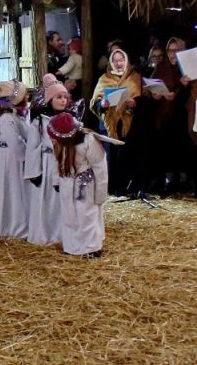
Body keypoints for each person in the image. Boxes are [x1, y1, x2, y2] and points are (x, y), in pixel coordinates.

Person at [48, 112, 108, 258]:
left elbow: (100, 166)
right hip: (67, 182)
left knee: (87, 215)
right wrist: (56, 181)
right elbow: (56, 162)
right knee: (69, 216)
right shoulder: (59, 143)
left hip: (84, 185)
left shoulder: (87, 140)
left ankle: (91, 248)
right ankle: (72, 246)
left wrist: (101, 192)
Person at [90, 48, 144, 198]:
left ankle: (129, 187)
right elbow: (94, 102)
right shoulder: (104, 79)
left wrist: (135, 103)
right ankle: (113, 188)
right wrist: (103, 104)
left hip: (130, 125)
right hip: (110, 125)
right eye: (116, 60)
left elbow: (145, 99)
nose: (119, 63)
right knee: (111, 159)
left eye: (122, 60)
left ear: (126, 61)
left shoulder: (135, 78)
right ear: (111, 63)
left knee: (129, 156)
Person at [24, 74, 67, 246]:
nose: (63, 100)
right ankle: (45, 234)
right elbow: (32, 147)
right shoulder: (40, 122)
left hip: (64, 164)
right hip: (47, 164)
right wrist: (35, 171)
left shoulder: (70, 120)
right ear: (50, 100)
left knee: (60, 202)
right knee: (46, 201)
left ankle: (62, 234)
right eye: (58, 97)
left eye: (65, 97)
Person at [149, 37, 191, 195]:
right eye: (170, 50)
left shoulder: (188, 68)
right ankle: (167, 182)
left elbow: (191, 94)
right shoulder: (161, 68)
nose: (173, 54)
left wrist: (182, 87)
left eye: (177, 50)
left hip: (183, 116)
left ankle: (182, 182)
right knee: (166, 149)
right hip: (163, 117)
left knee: (182, 149)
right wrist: (155, 96)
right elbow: (150, 89)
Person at [0, 79, 30, 240]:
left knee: (18, 191)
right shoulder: (7, 119)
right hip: (12, 159)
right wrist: (29, 157)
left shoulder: (18, 115)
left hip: (15, 157)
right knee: (13, 191)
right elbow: (14, 142)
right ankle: (14, 227)